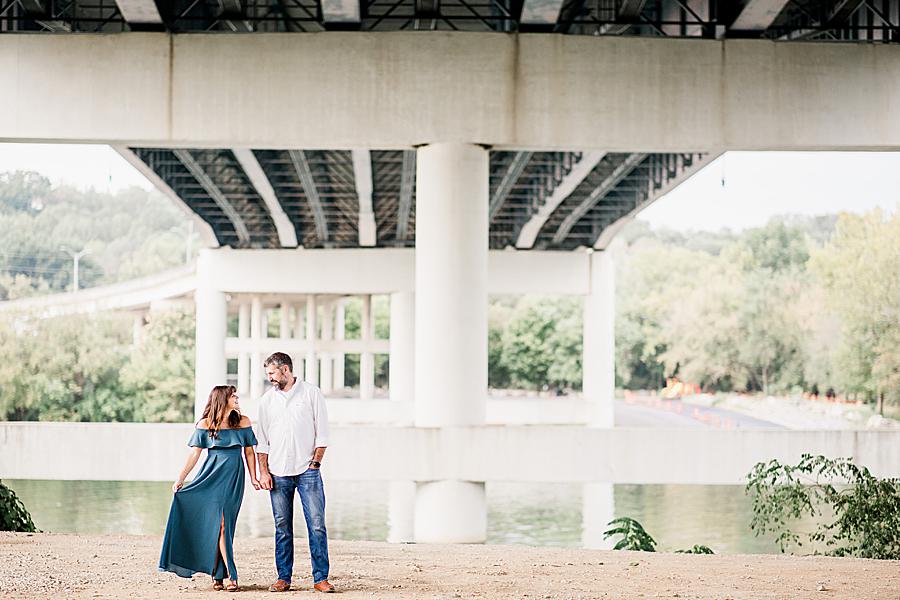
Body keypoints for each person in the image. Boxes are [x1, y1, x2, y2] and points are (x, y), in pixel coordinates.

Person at [159, 385, 260, 592]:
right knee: (218, 524)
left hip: (233, 478)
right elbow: (195, 454)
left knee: (224, 524)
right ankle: (228, 574)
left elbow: (249, 453)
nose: (237, 398)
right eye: (233, 395)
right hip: (210, 477)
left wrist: (254, 477)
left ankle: (220, 573)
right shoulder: (205, 424)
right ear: (222, 399)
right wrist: (181, 478)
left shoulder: (244, 422)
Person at [256, 352, 334, 593]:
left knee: (317, 524)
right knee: (282, 526)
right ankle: (283, 578)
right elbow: (262, 441)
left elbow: (322, 433)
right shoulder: (266, 401)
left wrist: (316, 463)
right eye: (267, 373)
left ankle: (320, 578)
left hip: (307, 470)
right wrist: (264, 472)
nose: (269, 377)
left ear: (286, 370)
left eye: (272, 373)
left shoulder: (311, 393)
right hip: (277, 471)